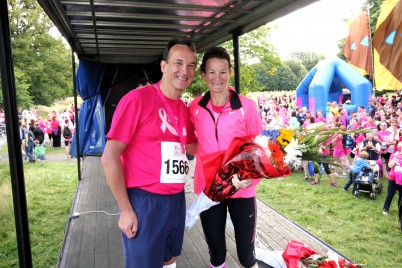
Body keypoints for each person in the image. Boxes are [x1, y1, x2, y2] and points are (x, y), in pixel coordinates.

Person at [101, 37, 197, 268]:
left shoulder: (184, 108)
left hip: (176, 199)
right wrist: (125, 210)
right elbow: (109, 157)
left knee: (170, 258)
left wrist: (238, 149)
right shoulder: (137, 100)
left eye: (191, 65)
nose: (185, 70)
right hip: (144, 201)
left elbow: (195, 146)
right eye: (178, 63)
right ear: (164, 66)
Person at [189, 47, 262, 268]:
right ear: (203, 75)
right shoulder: (194, 108)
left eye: (223, 71)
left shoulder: (246, 106)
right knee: (216, 253)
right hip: (210, 189)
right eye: (211, 72)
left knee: (246, 256)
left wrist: (251, 178)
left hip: (242, 188)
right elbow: (190, 143)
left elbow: (257, 149)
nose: (217, 78)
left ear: (230, 72)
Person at [383, 140, 402, 215]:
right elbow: (390, 165)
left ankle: (399, 210)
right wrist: (395, 158)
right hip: (393, 177)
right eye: (399, 146)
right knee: (390, 193)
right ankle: (386, 208)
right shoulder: (394, 154)